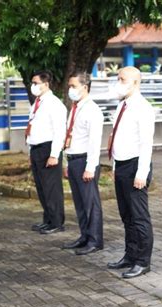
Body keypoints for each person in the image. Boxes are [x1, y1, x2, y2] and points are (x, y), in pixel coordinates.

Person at [106, 66, 155, 279]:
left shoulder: (143, 107)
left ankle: (143, 261)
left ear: (135, 82)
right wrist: (116, 166)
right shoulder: (122, 105)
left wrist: (142, 173)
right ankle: (130, 255)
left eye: (122, 79)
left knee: (139, 216)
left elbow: (146, 144)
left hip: (136, 166)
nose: (118, 82)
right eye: (118, 78)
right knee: (126, 215)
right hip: (122, 165)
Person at [61, 72, 104, 255]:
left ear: (84, 87)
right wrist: (66, 161)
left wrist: (90, 167)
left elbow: (95, 141)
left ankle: (95, 240)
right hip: (73, 159)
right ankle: (84, 235)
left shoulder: (92, 110)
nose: (70, 89)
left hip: (85, 160)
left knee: (90, 204)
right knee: (79, 203)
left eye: (73, 86)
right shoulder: (75, 107)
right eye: (69, 86)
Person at [26, 70, 67, 234]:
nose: (33, 86)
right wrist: (30, 151)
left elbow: (59, 131)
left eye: (36, 83)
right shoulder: (37, 103)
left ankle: (57, 222)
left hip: (48, 149)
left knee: (52, 188)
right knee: (42, 188)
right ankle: (48, 219)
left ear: (46, 84)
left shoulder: (54, 104)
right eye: (32, 83)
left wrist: (54, 154)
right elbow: (32, 128)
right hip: (36, 149)